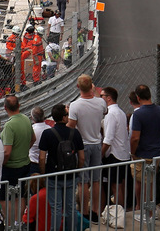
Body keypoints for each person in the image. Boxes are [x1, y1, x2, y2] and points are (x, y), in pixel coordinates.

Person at [37, 103, 84, 231]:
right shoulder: (75, 133)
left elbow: (42, 157)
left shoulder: (47, 133)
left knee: (56, 208)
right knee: (71, 207)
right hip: (70, 174)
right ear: (64, 118)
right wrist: (77, 171)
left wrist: (44, 173)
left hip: (53, 175)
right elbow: (82, 157)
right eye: (67, 115)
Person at [67, 74, 106, 222]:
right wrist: (95, 91)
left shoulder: (75, 105)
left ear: (78, 87)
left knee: (83, 181)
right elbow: (104, 112)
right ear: (91, 86)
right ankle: (95, 211)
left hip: (82, 145)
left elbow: (71, 125)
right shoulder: (101, 103)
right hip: (96, 143)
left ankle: (84, 211)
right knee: (96, 180)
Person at [129, 84, 160, 221]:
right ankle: (150, 210)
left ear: (138, 97)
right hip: (157, 152)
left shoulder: (138, 114)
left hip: (142, 153)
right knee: (150, 181)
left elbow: (135, 137)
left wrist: (132, 153)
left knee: (141, 183)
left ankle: (145, 212)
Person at [100, 87, 130, 212]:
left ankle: (118, 213)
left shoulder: (111, 114)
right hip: (122, 153)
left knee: (115, 186)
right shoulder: (120, 112)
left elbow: (109, 138)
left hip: (114, 154)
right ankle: (121, 210)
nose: (100, 98)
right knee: (120, 185)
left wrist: (101, 154)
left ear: (108, 98)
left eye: (102, 96)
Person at [0, 94, 32, 191]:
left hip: (12, 168)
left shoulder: (9, 126)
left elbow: (7, 152)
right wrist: (23, 150)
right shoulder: (26, 118)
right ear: (19, 105)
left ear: (5, 108)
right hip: (25, 164)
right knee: (21, 195)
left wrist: (2, 164)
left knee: (7, 198)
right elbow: (33, 138)